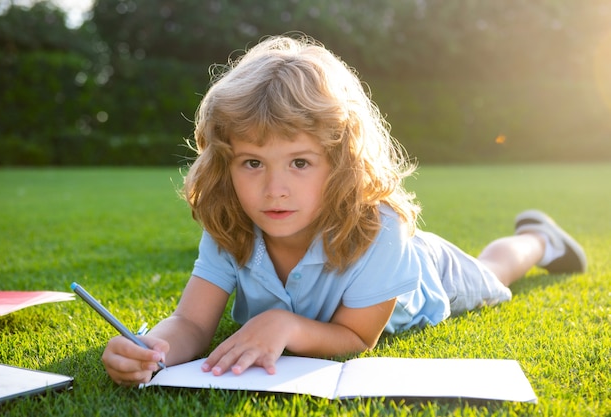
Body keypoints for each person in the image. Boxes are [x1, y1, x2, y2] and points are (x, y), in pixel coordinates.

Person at [101, 35, 587, 385]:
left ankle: (539, 238)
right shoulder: (233, 223)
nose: (275, 190)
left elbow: (356, 336)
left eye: (299, 162)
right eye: (252, 163)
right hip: (380, 276)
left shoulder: (382, 228)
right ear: (225, 165)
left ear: (341, 162)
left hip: (426, 275)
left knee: (493, 274)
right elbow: (191, 324)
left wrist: (286, 326)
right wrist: (153, 350)